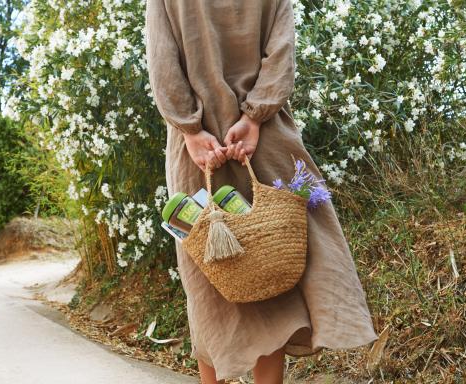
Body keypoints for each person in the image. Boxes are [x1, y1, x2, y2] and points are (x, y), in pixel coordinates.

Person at [145, 1, 377, 383]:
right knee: (271, 267)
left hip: (198, 153)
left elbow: (163, 61)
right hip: (263, 138)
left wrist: (190, 129)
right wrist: (253, 117)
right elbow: (281, 53)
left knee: (209, 281)